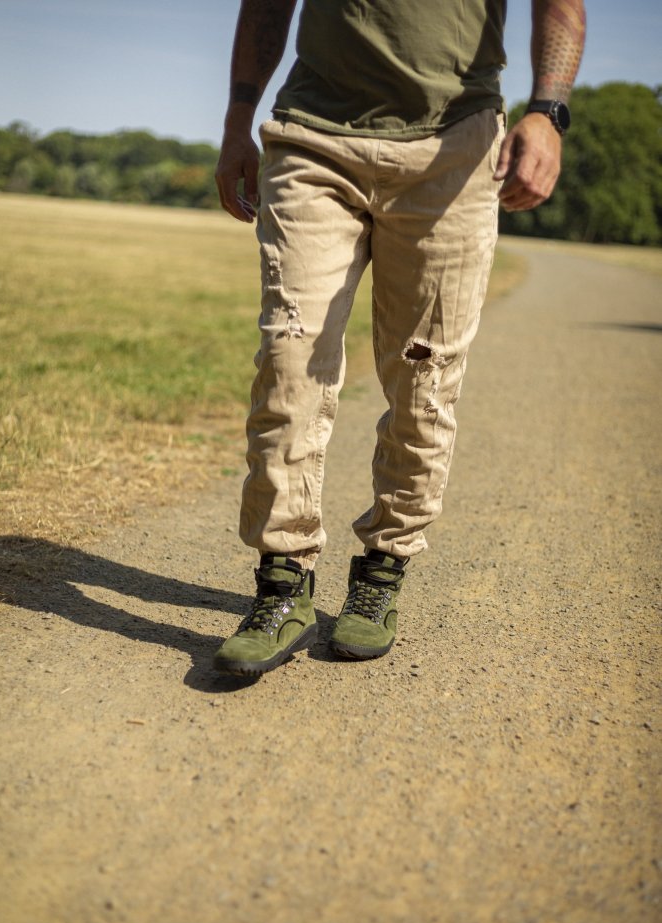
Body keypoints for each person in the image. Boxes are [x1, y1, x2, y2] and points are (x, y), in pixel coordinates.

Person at [213, 0, 586, 676]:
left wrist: (547, 109)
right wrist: (238, 118)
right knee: (288, 359)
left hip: (454, 146)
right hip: (312, 138)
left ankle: (382, 570)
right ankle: (281, 584)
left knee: (424, 375)